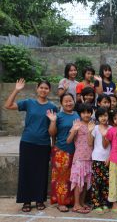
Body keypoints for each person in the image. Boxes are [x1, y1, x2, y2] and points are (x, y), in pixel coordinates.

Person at [4, 79, 57, 212]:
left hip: (44, 144)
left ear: (49, 90)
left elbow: (53, 130)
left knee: (41, 173)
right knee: (26, 172)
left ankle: (39, 199)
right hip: (27, 142)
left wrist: (53, 144)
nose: (43, 90)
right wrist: (16, 90)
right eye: (41, 87)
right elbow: (8, 105)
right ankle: (26, 201)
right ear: (37, 89)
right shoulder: (29, 103)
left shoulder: (52, 107)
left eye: (46, 88)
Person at [47, 93, 80, 212]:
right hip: (61, 150)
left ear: (74, 101)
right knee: (61, 178)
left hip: (75, 152)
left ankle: (70, 200)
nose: (68, 103)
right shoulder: (58, 116)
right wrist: (53, 121)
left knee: (71, 177)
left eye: (70, 100)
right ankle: (61, 202)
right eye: (65, 101)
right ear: (61, 103)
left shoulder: (77, 115)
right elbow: (52, 133)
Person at [68, 103, 94, 214]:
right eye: (84, 112)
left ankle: (82, 203)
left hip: (89, 158)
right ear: (80, 114)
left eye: (88, 112)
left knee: (86, 181)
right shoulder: (76, 124)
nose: (86, 114)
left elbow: (90, 142)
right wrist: (74, 130)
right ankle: (76, 205)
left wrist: (89, 130)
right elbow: (68, 140)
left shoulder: (93, 125)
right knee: (78, 182)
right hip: (79, 158)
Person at [88, 107, 111, 214]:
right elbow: (89, 143)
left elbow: (107, 146)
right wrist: (89, 131)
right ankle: (96, 203)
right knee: (96, 182)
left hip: (108, 159)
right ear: (97, 117)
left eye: (105, 115)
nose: (103, 118)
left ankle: (105, 203)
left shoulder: (111, 128)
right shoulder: (95, 128)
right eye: (101, 116)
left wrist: (110, 158)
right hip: (97, 158)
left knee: (106, 182)